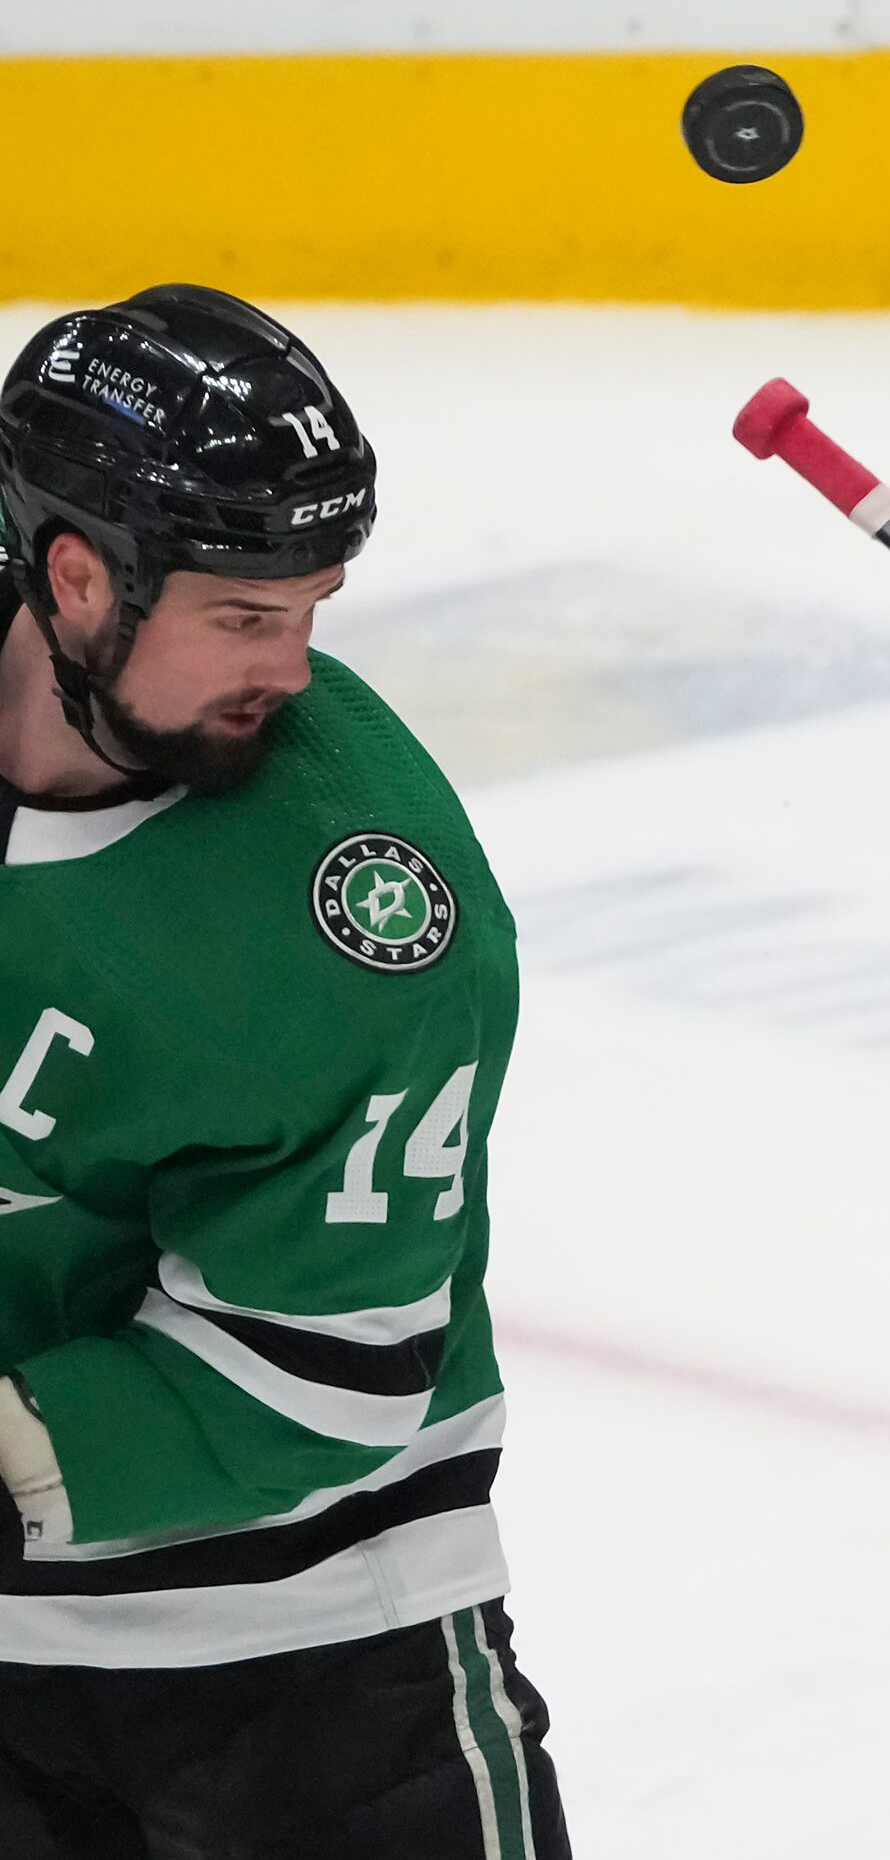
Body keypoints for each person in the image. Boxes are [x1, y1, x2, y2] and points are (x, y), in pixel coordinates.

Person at [0, 285, 569, 1857]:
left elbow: (325, 1367)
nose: (294, 668)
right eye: (245, 616)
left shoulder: (362, 912)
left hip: (305, 1668)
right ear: (74, 577)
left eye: (310, 607)